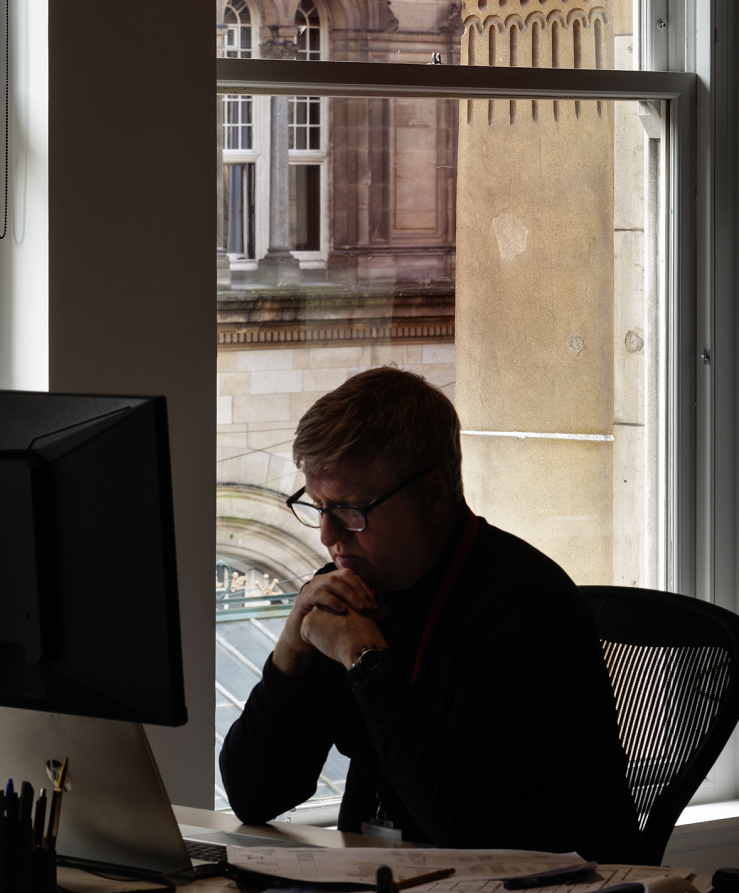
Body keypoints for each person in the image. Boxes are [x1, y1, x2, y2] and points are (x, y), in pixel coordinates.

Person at [218, 367, 643, 861]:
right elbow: (254, 796)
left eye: (352, 509)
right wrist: (290, 654)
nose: (328, 536)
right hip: (385, 874)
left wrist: (366, 660)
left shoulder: (528, 605)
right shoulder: (352, 591)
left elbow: (460, 820)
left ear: (436, 493)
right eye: (318, 506)